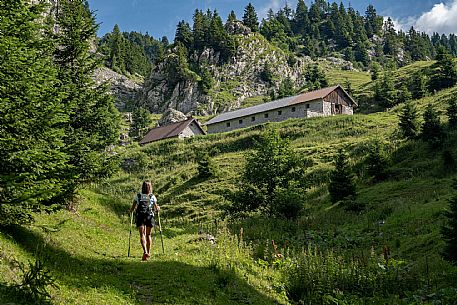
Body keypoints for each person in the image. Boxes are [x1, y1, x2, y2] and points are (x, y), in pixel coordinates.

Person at [129, 180, 160, 261]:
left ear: (142, 187)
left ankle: (145, 251)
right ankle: (148, 253)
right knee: (148, 235)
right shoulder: (152, 196)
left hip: (140, 216)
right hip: (149, 216)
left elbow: (132, 208)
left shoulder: (138, 196)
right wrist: (158, 208)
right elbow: (156, 208)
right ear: (150, 187)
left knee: (142, 234)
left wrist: (131, 210)